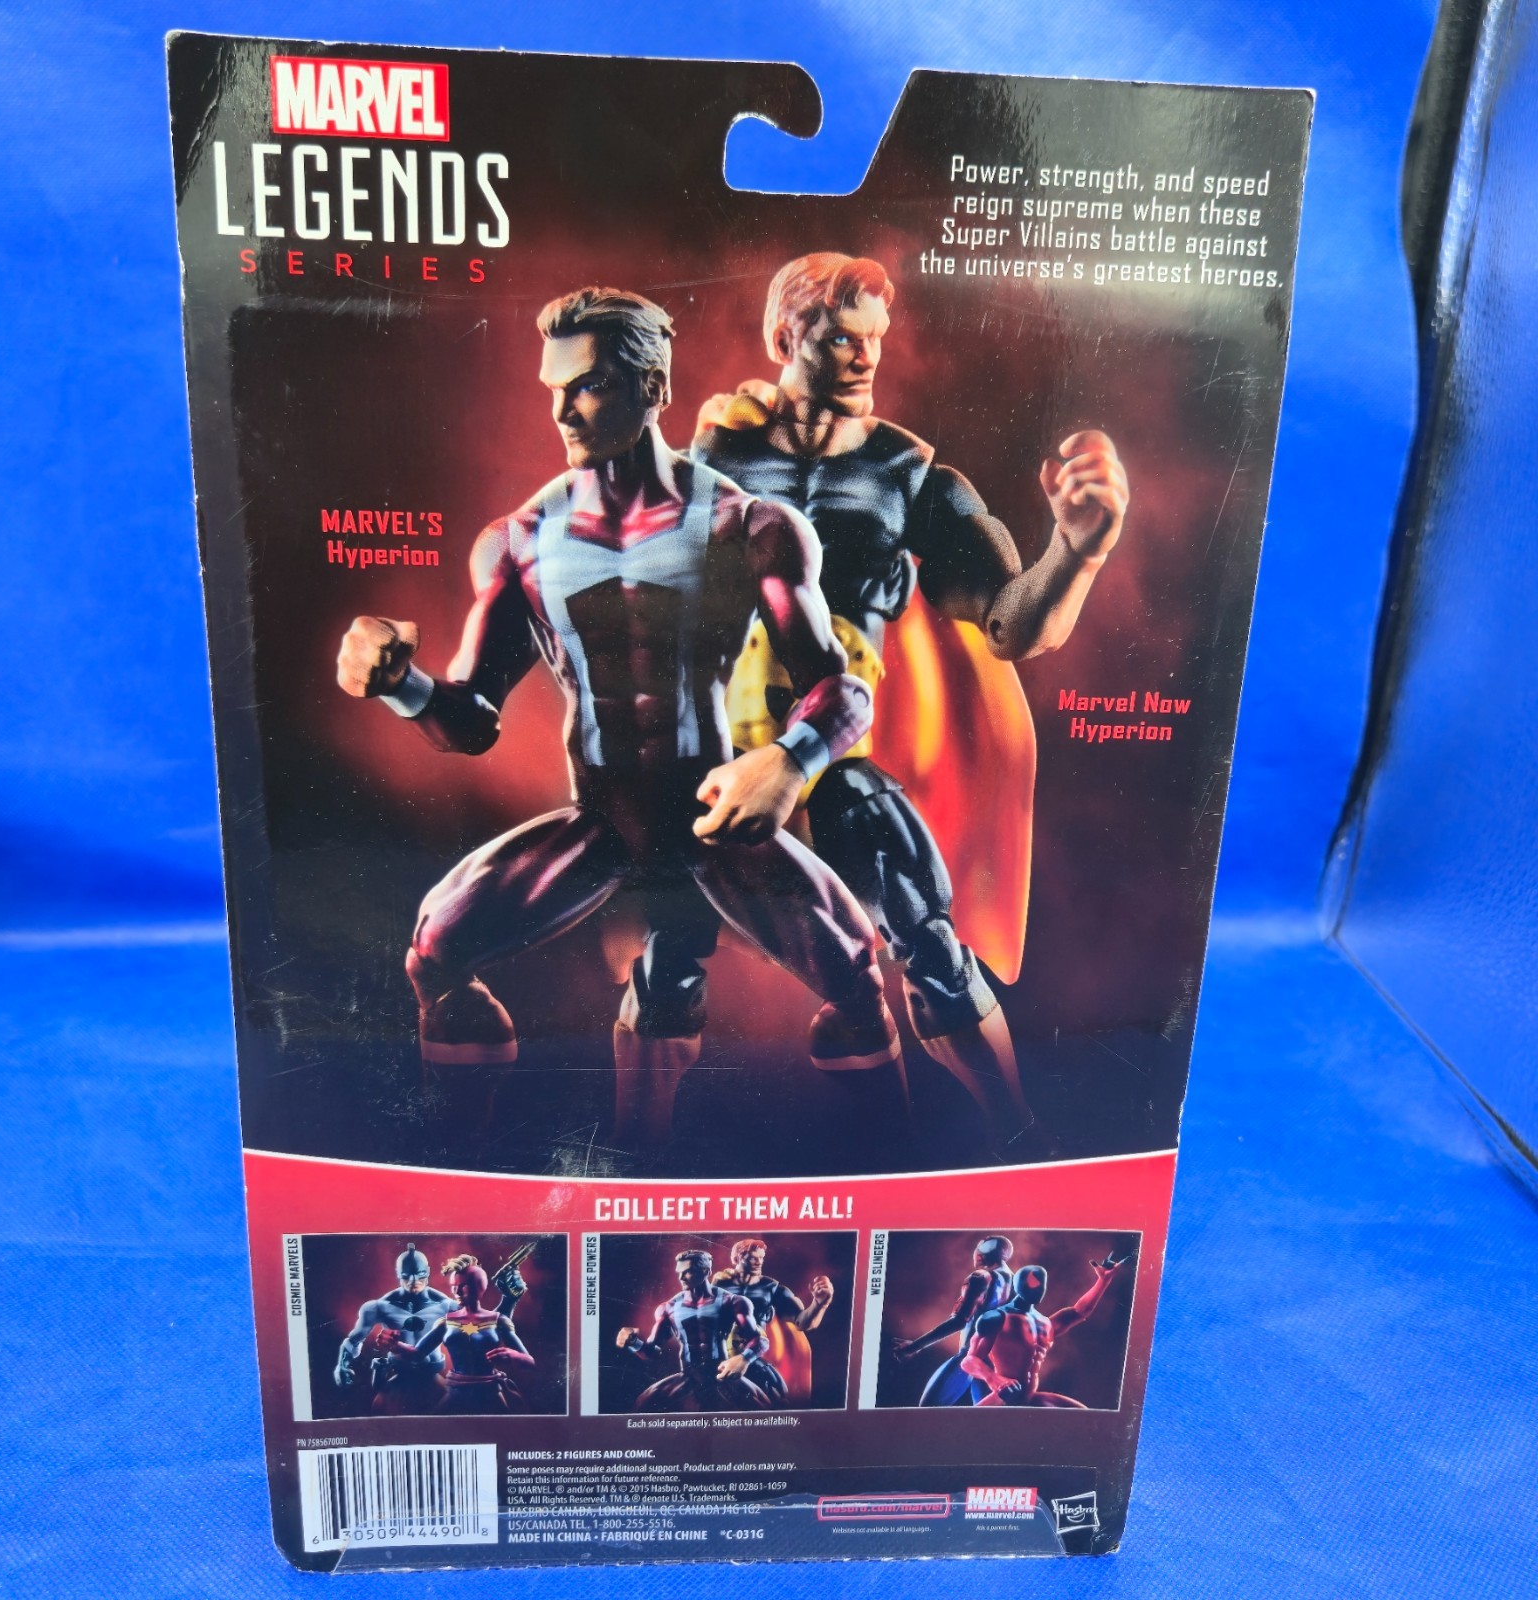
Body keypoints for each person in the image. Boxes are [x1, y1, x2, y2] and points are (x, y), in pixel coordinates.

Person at [336, 287, 902, 1151]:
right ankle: (459, 1167)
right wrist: (399, 682)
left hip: (713, 819)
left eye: (589, 385)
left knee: (862, 985)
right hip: (602, 823)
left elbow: (843, 690)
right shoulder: (521, 540)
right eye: (554, 388)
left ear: (653, 387)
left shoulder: (747, 526)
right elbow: (472, 720)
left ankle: (893, 1174)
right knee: (435, 954)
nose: (562, 410)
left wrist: (789, 761)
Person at [692, 254, 1130, 1149]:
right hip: (712, 761)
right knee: (667, 953)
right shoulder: (712, 458)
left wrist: (1076, 553)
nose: (865, 356)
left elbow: (1010, 624)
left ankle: (1019, 1140)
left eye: (875, 338)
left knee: (929, 945)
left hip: (834, 755)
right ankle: (630, 1156)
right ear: (783, 336)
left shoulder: (910, 475)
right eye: (839, 337)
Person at [959, 1251, 1131, 1407]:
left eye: (1040, 1283)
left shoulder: (1045, 1323)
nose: (1036, 1287)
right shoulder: (997, 1318)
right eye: (1032, 1282)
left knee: (1082, 1414)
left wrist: (1103, 1281)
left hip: (1029, 1397)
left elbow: (1080, 1311)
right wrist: (993, 1379)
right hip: (1005, 1398)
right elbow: (969, 1361)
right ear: (1018, 1285)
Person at [615, 1247, 769, 1410]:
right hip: (689, 1376)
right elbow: (651, 1352)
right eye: (679, 1272)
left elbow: (760, 1340)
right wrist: (633, 1342)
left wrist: (744, 1359)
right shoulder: (669, 1308)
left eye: (687, 1272)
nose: (681, 1277)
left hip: (721, 1374)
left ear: (706, 1271)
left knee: (763, 1406)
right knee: (643, 1404)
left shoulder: (732, 1301)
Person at [397, 1251, 536, 1413]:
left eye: (464, 1286)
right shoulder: (446, 1322)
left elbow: (529, 1362)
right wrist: (395, 1345)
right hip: (456, 1393)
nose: (457, 1291)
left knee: (505, 1427)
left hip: (490, 1393)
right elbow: (417, 1353)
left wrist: (514, 1356)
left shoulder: (498, 1321)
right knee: (435, 1427)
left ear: (480, 1286)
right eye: (454, 1286)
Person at [333, 1243, 456, 1415]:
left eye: (420, 1274)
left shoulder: (447, 1306)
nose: (413, 1281)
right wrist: (342, 1365)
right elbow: (354, 1339)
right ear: (398, 1274)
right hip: (398, 1383)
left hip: (433, 1381)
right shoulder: (379, 1306)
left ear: (428, 1271)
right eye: (406, 1276)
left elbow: (476, 1331)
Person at [889, 1234, 1013, 1405]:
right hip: (994, 1362)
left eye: (978, 1248)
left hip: (970, 1356)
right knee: (984, 1413)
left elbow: (959, 1321)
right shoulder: (1014, 1281)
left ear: (984, 1252)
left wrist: (913, 1347)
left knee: (927, 1408)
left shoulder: (981, 1278)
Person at [712, 1237, 833, 1404]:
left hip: (752, 1353)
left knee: (778, 1393)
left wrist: (819, 1304)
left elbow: (802, 1323)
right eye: (753, 1257)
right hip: (718, 1354)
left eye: (761, 1257)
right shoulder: (719, 1284)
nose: (759, 1262)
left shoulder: (772, 1289)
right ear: (738, 1257)